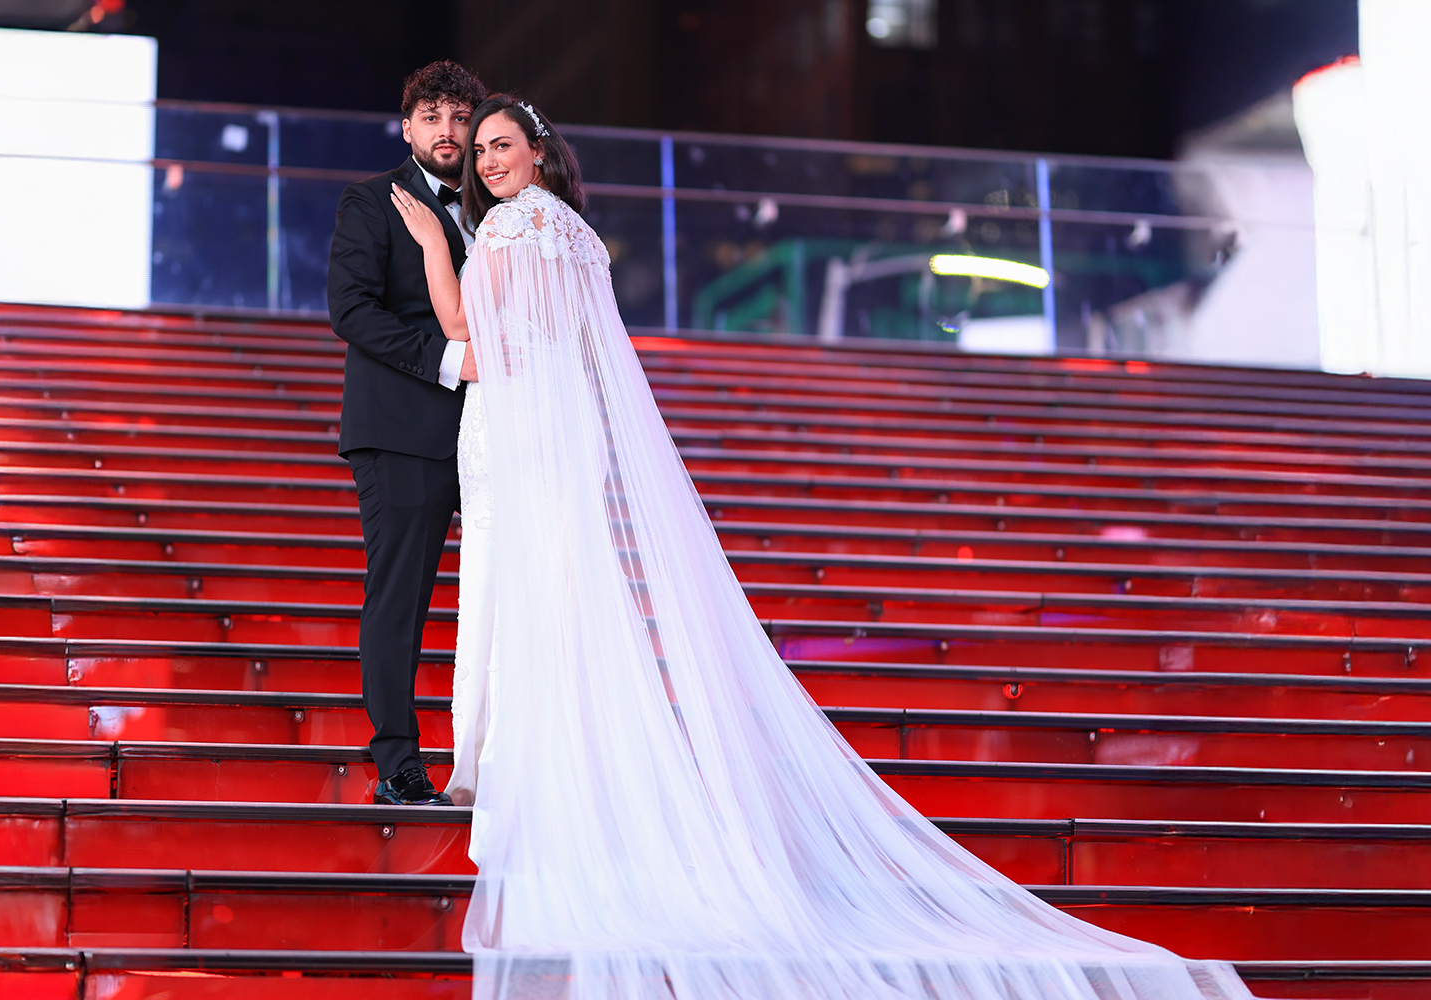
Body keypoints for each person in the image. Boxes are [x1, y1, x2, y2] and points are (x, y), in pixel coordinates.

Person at [390, 95, 1254, 1000]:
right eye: (480, 148)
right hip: (558, 448)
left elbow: (464, 331)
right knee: (563, 608)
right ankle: (553, 773)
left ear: (535, 152)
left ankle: (506, 774)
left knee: (519, 605)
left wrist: (431, 245)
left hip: (521, 445)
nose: (487, 160)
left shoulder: (508, 235)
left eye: (500, 145)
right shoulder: (576, 235)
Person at [326, 60, 486, 807]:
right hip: (400, 430)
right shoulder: (369, 203)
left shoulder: (496, 209)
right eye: (432, 117)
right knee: (401, 598)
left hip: (489, 434)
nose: (446, 131)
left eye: (459, 117)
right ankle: (398, 759)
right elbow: (352, 312)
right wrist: (449, 360)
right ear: (407, 126)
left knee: (501, 597)